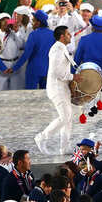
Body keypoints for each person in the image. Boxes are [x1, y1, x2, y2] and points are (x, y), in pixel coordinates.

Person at [34, 26, 78, 154]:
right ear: (62, 36)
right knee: (64, 117)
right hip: (57, 88)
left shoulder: (62, 48)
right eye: (68, 34)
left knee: (68, 117)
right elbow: (56, 71)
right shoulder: (57, 50)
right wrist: (73, 76)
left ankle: (64, 147)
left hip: (62, 87)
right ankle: (41, 137)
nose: (70, 36)